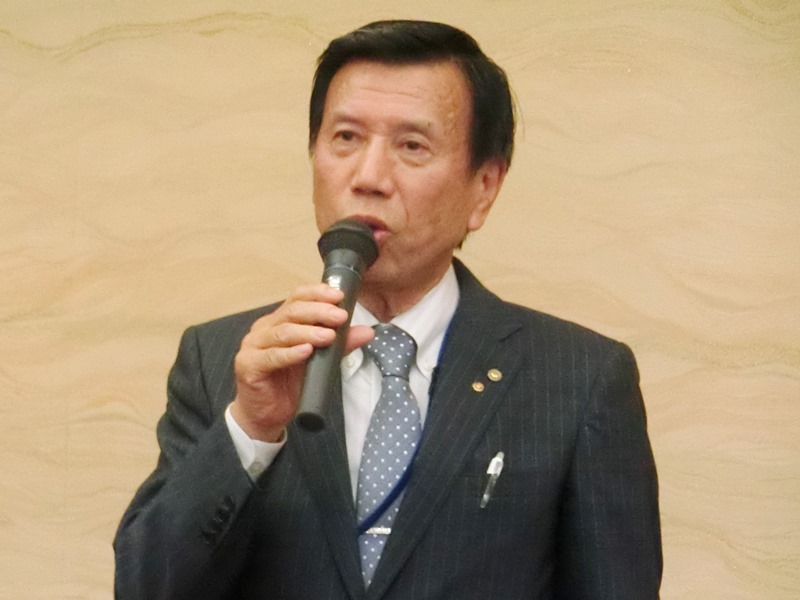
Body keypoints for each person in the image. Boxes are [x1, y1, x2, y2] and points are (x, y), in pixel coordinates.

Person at [114, 20, 662, 599]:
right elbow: (147, 587)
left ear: (484, 187)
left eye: (412, 146)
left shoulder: (578, 379)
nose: (369, 177)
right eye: (346, 138)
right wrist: (250, 430)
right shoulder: (223, 360)